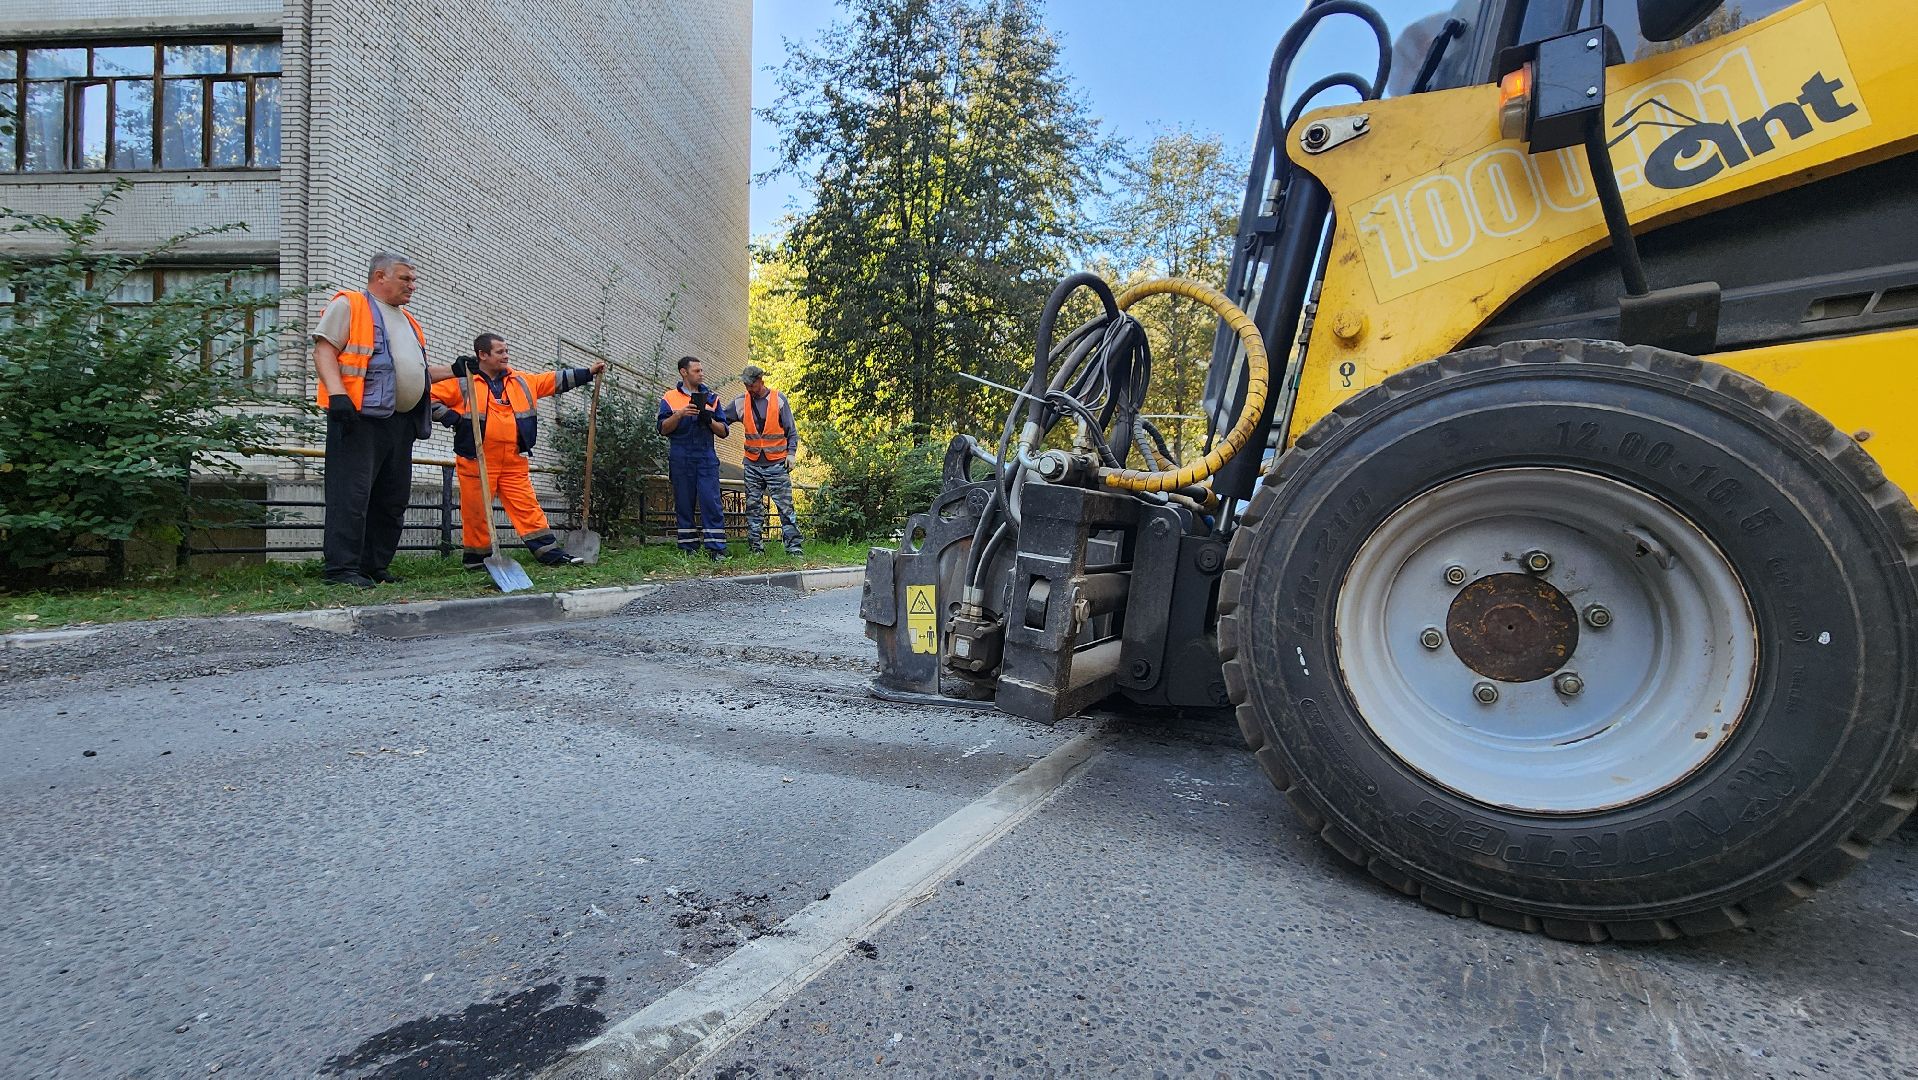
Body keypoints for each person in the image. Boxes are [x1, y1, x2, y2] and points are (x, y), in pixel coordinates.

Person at [313, 252, 461, 588]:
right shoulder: (351, 304)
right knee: (351, 495)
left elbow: (416, 373)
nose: (413, 285)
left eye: (413, 279)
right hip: (357, 419)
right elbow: (324, 350)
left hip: (400, 422)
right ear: (380, 277)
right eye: (405, 279)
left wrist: (453, 370)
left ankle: (374, 566)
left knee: (391, 498)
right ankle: (341, 570)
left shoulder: (408, 321)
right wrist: (337, 396)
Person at [429, 333, 606, 568]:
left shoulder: (521, 381)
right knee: (477, 513)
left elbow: (553, 380)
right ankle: (477, 561)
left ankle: (549, 553)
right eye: (500, 352)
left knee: (527, 507)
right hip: (477, 459)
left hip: (513, 460)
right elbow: (427, 398)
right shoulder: (463, 382)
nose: (506, 355)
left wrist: (588, 373)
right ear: (482, 355)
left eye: (506, 350)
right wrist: (454, 418)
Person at [726, 365, 804, 555]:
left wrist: (791, 454)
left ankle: (794, 549)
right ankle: (756, 550)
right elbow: (721, 420)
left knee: (785, 509)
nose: (748, 388)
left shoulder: (778, 400)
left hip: (777, 463)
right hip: (752, 464)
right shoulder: (740, 402)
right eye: (746, 384)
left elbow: (791, 432)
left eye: (751, 384)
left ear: (761, 380)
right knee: (753, 509)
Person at [657, 355, 730, 558]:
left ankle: (716, 549)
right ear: (684, 372)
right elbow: (662, 429)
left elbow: (724, 431)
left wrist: (708, 419)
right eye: (697, 371)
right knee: (683, 502)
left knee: (711, 501)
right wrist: (679, 414)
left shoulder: (712, 398)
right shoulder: (670, 397)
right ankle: (688, 548)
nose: (701, 374)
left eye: (701, 370)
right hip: (680, 456)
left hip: (706, 456)